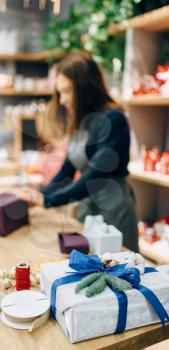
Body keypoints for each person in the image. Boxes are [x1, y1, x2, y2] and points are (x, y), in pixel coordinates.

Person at [17, 52, 139, 252]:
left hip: (113, 210)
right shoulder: (80, 123)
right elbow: (66, 172)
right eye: (60, 92)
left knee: (118, 272)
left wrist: (48, 200)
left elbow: (94, 176)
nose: (63, 100)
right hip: (88, 210)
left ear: (85, 89)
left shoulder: (114, 120)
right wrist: (38, 195)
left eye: (67, 91)